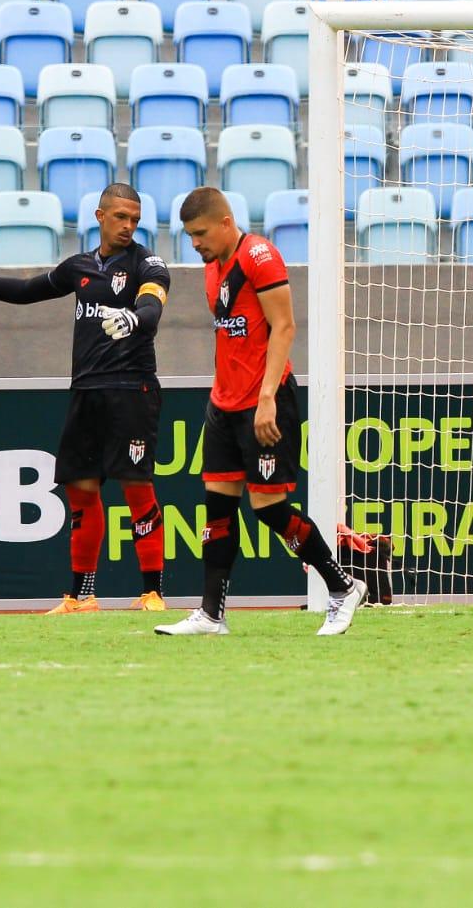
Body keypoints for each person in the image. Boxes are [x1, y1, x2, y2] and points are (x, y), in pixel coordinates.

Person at [156, 187, 368, 637]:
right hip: (224, 404)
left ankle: (343, 587)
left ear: (226, 223)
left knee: (269, 508)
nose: (194, 243)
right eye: (189, 235)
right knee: (216, 507)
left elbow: (285, 327)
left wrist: (267, 396)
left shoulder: (259, 255)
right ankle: (211, 615)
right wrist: (221, 395)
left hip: (264, 402)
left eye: (200, 233)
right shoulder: (213, 269)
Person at [0, 183, 170, 613]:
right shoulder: (78, 266)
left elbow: (153, 306)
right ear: (100, 216)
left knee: (137, 489)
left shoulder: (147, 263)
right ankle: (82, 596)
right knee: (81, 493)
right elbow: (27, 292)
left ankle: (153, 592)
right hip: (86, 392)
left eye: (135, 219)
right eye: (121, 217)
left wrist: (134, 318)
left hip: (131, 390)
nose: (128, 226)